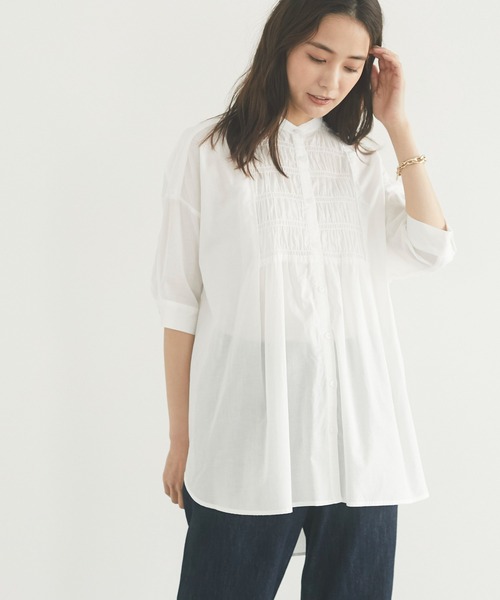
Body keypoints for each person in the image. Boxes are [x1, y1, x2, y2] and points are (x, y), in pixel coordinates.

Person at [151, 0, 457, 597]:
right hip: (248, 433)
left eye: (352, 66)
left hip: (359, 437)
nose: (331, 81)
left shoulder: (363, 157)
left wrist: (398, 126)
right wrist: (181, 438)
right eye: (318, 57)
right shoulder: (209, 152)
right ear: (282, 45)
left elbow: (431, 248)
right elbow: (179, 304)